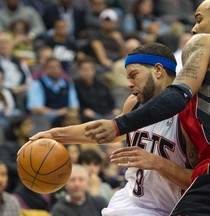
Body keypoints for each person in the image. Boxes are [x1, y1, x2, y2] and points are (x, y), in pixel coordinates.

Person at [82, 0, 210, 215]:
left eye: (199, 19)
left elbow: (177, 96)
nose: (194, 28)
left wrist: (119, 125)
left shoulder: (206, 41)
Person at [25, 43, 196, 216]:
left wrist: (158, 163)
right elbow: (106, 132)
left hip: (170, 210)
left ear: (158, 70)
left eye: (134, 75)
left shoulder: (188, 115)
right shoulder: (133, 103)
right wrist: (54, 135)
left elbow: (200, 181)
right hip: (130, 202)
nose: (129, 84)